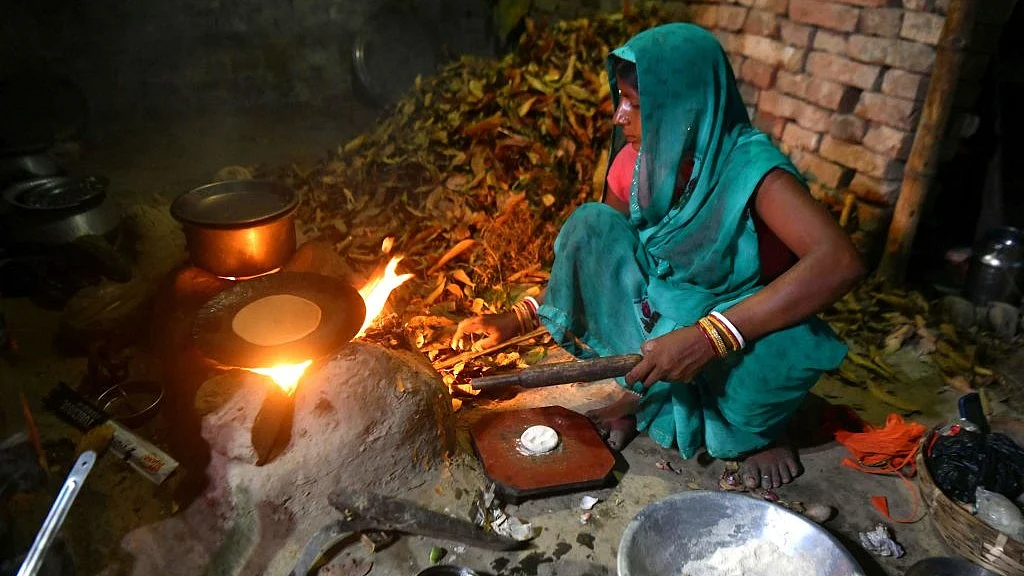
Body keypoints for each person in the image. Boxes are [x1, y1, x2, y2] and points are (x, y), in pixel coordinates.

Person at [453, 23, 865, 490]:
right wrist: (519, 317)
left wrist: (711, 338)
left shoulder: (753, 172)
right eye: (621, 100)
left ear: (685, 108)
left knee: (786, 351)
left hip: (739, 323)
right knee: (590, 226)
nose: (619, 117)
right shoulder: (636, 162)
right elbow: (604, 257)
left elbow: (840, 262)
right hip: (661, 313)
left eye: (635, 104)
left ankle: (754, 434)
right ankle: (646, 392)